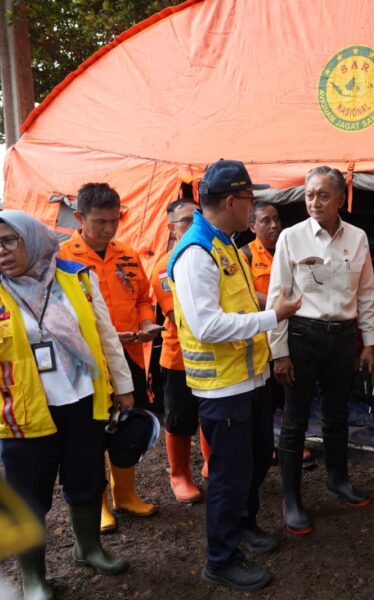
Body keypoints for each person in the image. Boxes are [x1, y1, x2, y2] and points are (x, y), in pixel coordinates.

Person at [168, 159, 301, 592]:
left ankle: (244, 525)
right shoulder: (196, 252)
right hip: (222, 387)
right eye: (249, 200)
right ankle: (220, 559)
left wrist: (268, 298)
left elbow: (238, 301)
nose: (253, 208)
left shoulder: (226, 243)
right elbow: (207, 325)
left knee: (257, 459)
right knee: (228, 475)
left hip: (250, 379)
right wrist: (271, 316)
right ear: (230, 200)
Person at [0, 211, 134, 599]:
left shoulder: (76, 277)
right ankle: (34, 577)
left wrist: (123, 388)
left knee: (87, 480)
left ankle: (88, 548)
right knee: (27, 498)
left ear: (34, 239)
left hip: (83, 403)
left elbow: (106, 337)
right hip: (24, 414)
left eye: (11, 240)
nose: (3, 250)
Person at [268, 165, 374, 536]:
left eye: (323, 195)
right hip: (302, 336)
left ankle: (337, 479)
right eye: (310, 194)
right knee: (295, 420)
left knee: (336, 414)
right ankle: (292, 498)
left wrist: (370, 342)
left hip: (343, 338)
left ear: (341, 200)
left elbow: (365, 293)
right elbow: (277, 297)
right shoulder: (291, 238)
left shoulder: (358, 237)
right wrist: (279, 352)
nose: (314, 201)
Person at [58, 183, 159, 532]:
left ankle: (126, 494)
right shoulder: (62, 260)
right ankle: (100, 504)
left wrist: (147, 321)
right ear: (79, 218)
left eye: (114, 220)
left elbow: (144, 297)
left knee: (127, 426)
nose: (108, 228)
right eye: (100, 221)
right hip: (86, 363)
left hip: (130, 355)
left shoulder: (128, 254)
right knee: (92, 433)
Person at [239, 201, 313, 466]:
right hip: (261, 337)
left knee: (291, 391)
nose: (274, 225)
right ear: (251, 226)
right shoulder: (243, 256)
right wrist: (278, 306)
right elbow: (245, 295)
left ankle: (292, 443)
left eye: (276, 219)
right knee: (265, 397)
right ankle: (266, 444)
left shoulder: (292, 248)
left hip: (293, 331)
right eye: (265, 221)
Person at [149, 199, 210, 503]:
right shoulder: (165, 265)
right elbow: (180, 315)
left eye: (196, 218)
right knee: (180, 419)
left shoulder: (216, 254)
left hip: (215, 354)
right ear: (171, 228)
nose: (192, 225)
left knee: (211, 414)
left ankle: (211, 465)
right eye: (184, 221)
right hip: (179, 358)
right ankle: (180, 476)